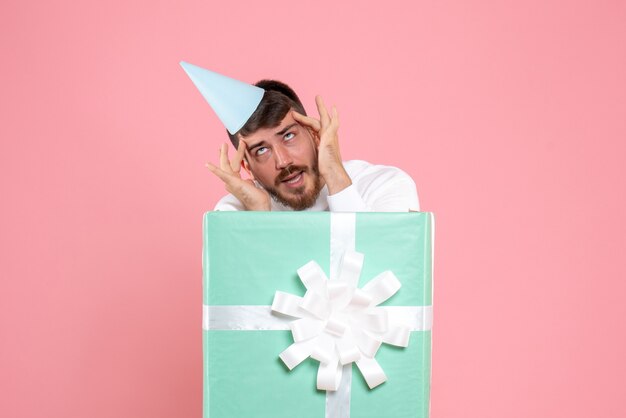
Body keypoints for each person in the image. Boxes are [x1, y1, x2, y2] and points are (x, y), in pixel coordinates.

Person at [205, 80, 420, 212]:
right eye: (261, 150)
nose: (283, 161)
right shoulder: (233, 212)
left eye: (288, 135)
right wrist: (258, 217)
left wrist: (336, 176)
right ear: (247, 167)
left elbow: (387, 269)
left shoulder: (385, 186)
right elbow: (237, 286)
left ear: (314, 134)